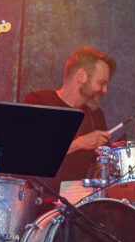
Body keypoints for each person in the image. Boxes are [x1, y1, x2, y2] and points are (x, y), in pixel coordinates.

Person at [24, 45, 115, 193]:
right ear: (81, 77)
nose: (105, 90)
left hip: (78, 199)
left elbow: (101, 168)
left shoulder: (96, 115)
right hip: (38, 196)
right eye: (101, 83)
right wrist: (80, 143)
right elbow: (31, 155)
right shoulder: (40, 102)